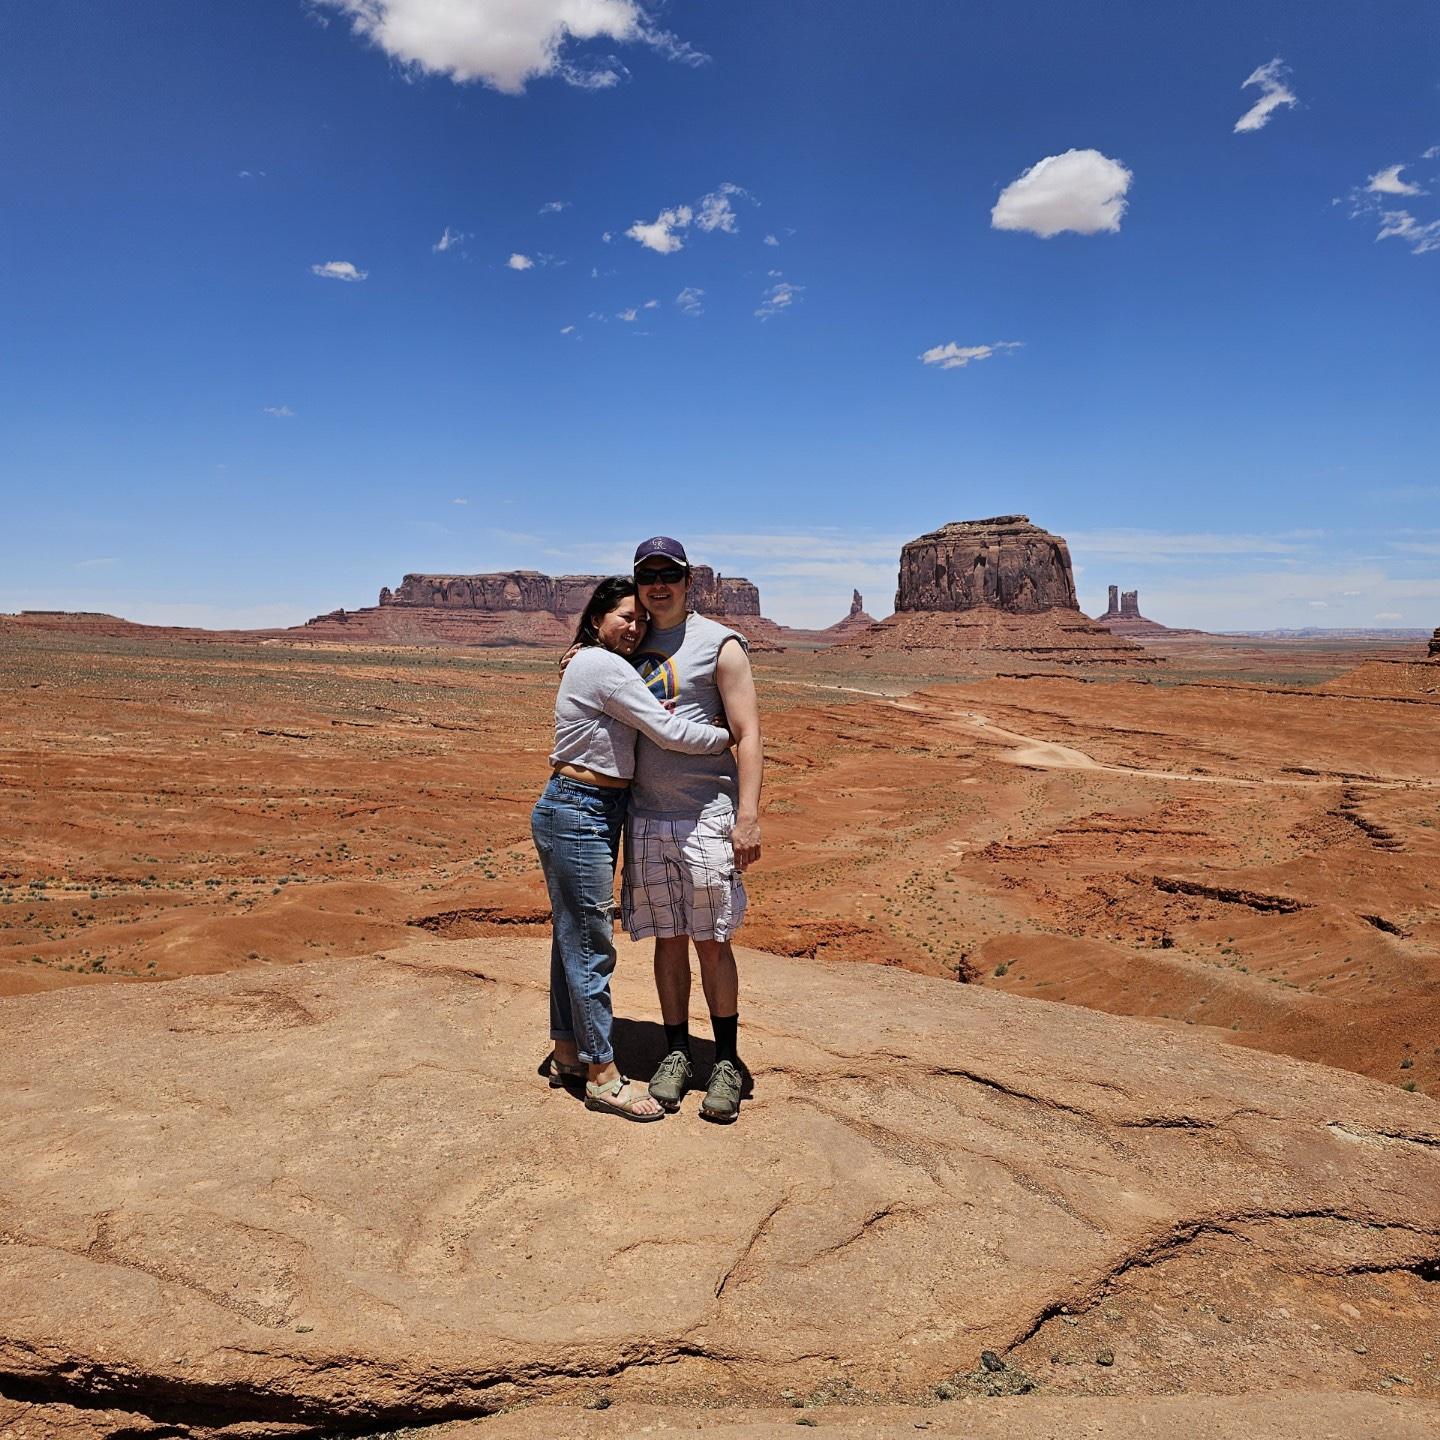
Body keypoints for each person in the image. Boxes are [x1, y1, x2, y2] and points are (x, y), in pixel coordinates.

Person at [532, 577, 732, 1123]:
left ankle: (567, 1054)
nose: (637, 626)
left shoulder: (599, 660)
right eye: (626, 616)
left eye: (642, 618)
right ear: (597, 617)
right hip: (580, 808)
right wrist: (725, 736)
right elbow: (666, 731)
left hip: (591, 807)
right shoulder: (603, 664)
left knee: (572, 939)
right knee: (590, 944)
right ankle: (602, 1074)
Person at [623, 537, 764, 1124]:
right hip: (646, 813)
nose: (659, 585)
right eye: (648, 575)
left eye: (670, 574)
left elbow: (748, 734)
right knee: (668, 937)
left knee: (712, 939)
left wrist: (748, 814)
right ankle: (676, 1051)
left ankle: (726, 1060)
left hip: (707, 812)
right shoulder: (629, 640)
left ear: (688, 582)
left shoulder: (720, 644)